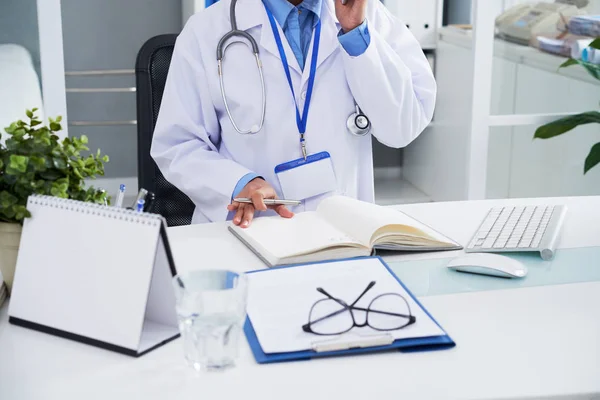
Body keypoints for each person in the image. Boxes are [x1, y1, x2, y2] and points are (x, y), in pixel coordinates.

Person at [151, 0, 436, 227]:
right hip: (249, 230)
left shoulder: (367, 16)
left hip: (344, 232)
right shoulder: (206, 31)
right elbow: (177, 145)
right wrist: (239, 183)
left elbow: (403, 127)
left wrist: (356, 34)